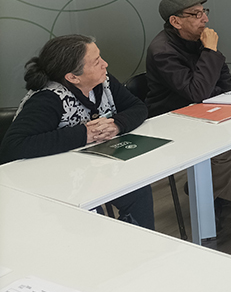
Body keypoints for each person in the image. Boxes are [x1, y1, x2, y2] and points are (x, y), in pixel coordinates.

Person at [0, 35, 155, 229]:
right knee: (89, 221)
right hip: (53, 179)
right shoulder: (48, 99)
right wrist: (84, 134)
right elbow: (13, 146)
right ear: (73, 77)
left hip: (93, 167)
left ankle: (141, 251)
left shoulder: (103, 82)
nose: (105, 64)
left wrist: (116, 124)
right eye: (97, 61)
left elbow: (138, 107)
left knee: (137, 191)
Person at [145, 0, 231, 219]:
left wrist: (217, 92)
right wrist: (209, 51)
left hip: (205, 108)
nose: (204, 19)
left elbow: (224, 78)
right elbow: (195, 92)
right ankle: (205, 195)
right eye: (196, 14)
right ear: (175, 21)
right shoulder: (163, 51)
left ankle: (212, 193)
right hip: (173, 117)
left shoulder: (198, 39)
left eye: (204, 13)